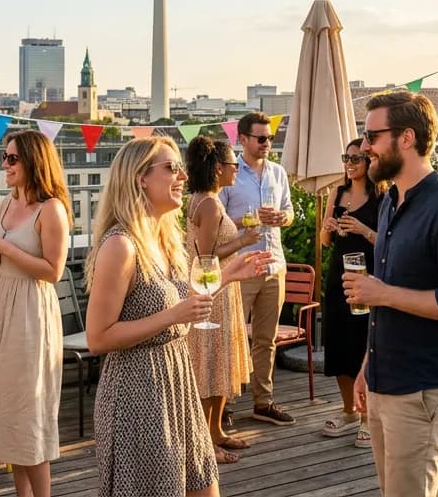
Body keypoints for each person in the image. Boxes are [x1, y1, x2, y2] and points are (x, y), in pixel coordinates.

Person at [84, 137, 268, 497]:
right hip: (137, 393)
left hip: (178, 382)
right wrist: (172, 316)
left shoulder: (164, 239)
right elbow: (98, 338)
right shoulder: (120, 246)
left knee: (203, 487)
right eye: (171, 168)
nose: (183, 175)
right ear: (140, 178)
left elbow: (182, 299)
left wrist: (228, 276)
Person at [344, 91, 438, 497]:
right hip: (384, 379)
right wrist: (368, 366)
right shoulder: (391, 200)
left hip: (423, 388)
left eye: (372, 136)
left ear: (406, 138)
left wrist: (383, 293)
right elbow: (387, 298)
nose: (365, 146)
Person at [0, 130, 71, 497]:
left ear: (33, 162)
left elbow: (53, 271)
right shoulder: (7, 203)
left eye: (12, 159)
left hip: (29, 314)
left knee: (29, 416)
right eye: (5, 157)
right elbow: (5, 255)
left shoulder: (52, 209)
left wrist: (3, 249)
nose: (5, 165)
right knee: (9, 410)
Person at [182, 136, 259, 465]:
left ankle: (215, 431)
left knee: (217, 364)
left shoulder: (205, 198)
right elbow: (207, 254)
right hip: (212, 288)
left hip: (219, 287)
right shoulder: (211, 205)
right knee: (208, 366)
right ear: (217, 169)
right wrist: (244, 240)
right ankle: (203, 442)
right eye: (233, 165)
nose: (237, 170)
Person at [220, 111, 297, 426]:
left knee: (266, 339)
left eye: (271, 138)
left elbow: (290, 210)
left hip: (274, 265)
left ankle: (263, 402)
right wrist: (250, 220)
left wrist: (283, 218)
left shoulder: (278, 173)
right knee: (232, 337)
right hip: (242, 267)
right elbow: (217, 221)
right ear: (243, 139)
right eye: (262, 138)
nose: (268, 143)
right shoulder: (229, 175)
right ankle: (222, 405)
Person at [318, 138, 385, 449]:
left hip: (368, 278)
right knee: (339, 344)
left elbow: (388, 243)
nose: (351, 163)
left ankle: (368, 417)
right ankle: (348, 410)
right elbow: (325, 242)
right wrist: (328, 225)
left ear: (369, 161)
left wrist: (363, 230)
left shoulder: (382, 196)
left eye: (357, 158)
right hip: (338, 278)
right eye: (347, 157)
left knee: (363, 345)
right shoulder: (338, 192)